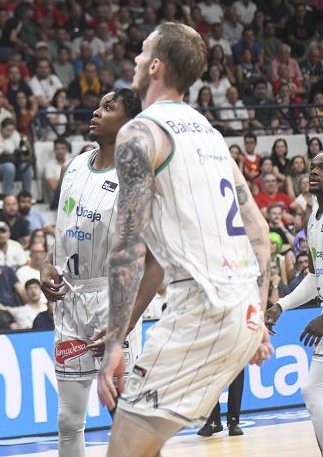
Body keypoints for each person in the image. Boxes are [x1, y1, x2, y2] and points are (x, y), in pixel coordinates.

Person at [96, 23, 272, 457]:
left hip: (201, 309)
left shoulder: (139, 134)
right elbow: (261, 234)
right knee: (144, 444)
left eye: (141, 52)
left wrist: (116, 342)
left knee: (123, 447)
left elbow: (128, 249)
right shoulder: (211, 135)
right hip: (244, 306)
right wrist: (258, 323)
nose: (135, 60)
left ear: (155, 66)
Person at [40, 88, 144, 457]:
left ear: (128, 123)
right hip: (70, 299)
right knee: (69, 420)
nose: (96, 112)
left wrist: (124, 320)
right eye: (98, 106)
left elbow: (143, 256)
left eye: (108, 107)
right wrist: (46, 263)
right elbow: (65, 228)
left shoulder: (135, 177)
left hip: (111, 299)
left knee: (124, 414)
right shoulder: (75, 165)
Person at [265, 152, 323, 446]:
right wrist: (281, 305)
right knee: (313, 391)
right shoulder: (310, 220)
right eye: (312, 167)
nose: (314, 172)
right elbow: (315, 277)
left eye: (321, 168)